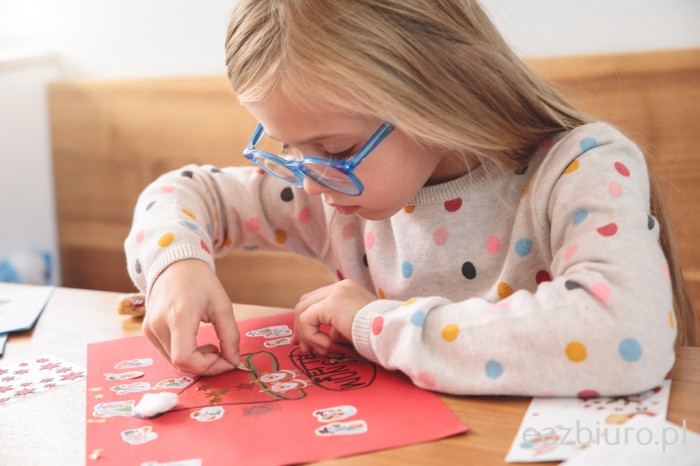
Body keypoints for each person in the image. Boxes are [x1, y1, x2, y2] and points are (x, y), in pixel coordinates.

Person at [125, 0, 694, 396]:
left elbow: (626, 333)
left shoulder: (579, 167)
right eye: (288, 148)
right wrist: (176, 266)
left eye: (336, 149)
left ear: (436, 92)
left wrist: (376, 324)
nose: (311, 181)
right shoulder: (330, 194)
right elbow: (186, 192)